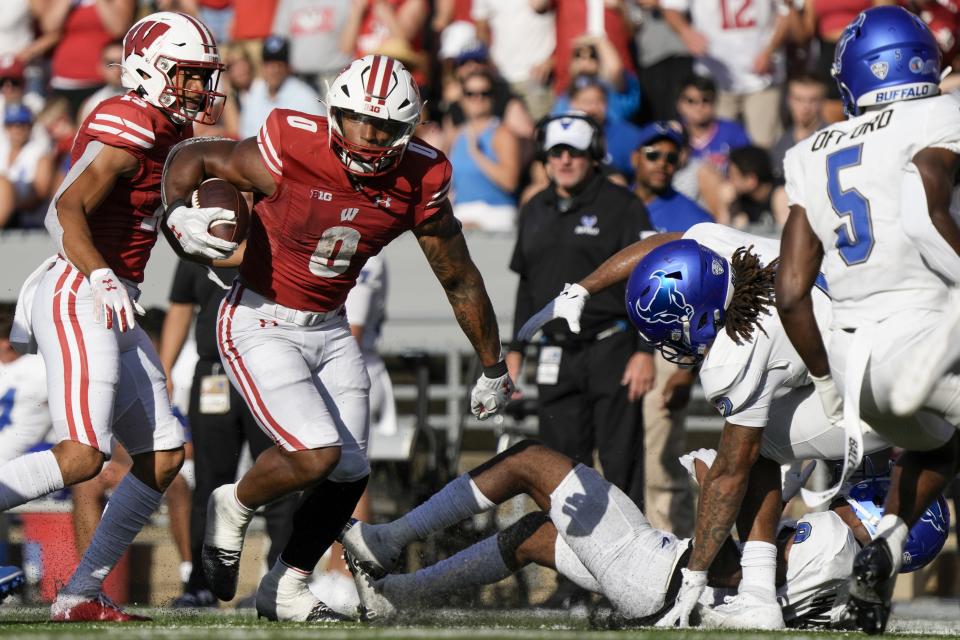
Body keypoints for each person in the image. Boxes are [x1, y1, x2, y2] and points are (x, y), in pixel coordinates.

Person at [160, 54, 515, 623]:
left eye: (384, 126)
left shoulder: (420, 176)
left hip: (329, 325)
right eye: (357, 119)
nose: (370, 137)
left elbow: (458, 275)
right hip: (259, 318)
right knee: (317, 454)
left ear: (409, 128)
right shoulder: (293, 144)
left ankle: (288, 586)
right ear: (334, 112)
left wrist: (493, 365)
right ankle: (235, 501)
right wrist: (177, 212)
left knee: (350, 471)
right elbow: (194, 154)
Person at [518, 224, 901, 629]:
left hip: (882, 392)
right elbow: (667, 245)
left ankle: (757, 596)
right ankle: (760, 590)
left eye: (669, 334)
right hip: (886, 341)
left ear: (700, 316)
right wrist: (583, 288)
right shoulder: (723, 250)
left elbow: (730, 476)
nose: (669, 347)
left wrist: (694, 576)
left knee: (756, 445)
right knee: (760, 438)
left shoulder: (735, 352)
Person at [1, 12, 232, 622]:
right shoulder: (126, 119)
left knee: (162, 457)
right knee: (82, 457)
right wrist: (101, 274)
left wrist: (189, 232)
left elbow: (146, 219)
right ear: (151, 71)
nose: (197, 89)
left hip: (113, 293)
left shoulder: (166, 134)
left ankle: (80, 592)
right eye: (187, 75)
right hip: (81, 287)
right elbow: (64, 207)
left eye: (202, 76)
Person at [775, 7, 960, 634]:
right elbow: (923, 210)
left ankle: (884, 540)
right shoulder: (937, 115)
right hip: (923, 338)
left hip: (856, 370)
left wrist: (828, 383)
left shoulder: (807, 152)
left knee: (940, 446)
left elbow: (793, 290)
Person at [343, 438, 944, 630]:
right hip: (665, 586)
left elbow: (739, 566)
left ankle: (389, 540)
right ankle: (402, 596)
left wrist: (719, 481)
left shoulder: (835, 543)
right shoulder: (847, 576)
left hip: (660, 575)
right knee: (534, 533)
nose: (881, 478)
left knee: (528, 460)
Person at [508, 112, 654, 517]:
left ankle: (631, 567)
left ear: (593, 157)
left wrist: (645, 351)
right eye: (557, 153)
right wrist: (517, 347)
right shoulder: (534, 208)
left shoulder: (623, 206)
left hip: (613, 347)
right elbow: (526, 285)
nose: (565, 161)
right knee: (559, 466)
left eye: (574, 153)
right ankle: (570, 573)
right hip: (556, 352)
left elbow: (647, 279)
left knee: (620, 462)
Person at [161, 260, 296, 609]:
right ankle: (199, 583)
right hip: (214, 372)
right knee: (209, 484)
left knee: (280, 480)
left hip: (267, 367)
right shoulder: (196, 241)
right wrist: (165, 368)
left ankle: (279, 582)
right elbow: (181, 306)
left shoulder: (277, 233)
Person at [630, 120, 711, 535]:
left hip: (668, 349)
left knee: (660, 464)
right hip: (613, 347)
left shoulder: (695, 218)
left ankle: (672, 561)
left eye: (671, 156)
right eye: (653, 154)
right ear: (634, 158)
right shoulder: (614, 205)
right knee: (604, 462)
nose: (662, 163)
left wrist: (686, 368)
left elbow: (709, 299)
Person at [662, 0, 788, 148]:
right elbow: (670, 8)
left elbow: (786, 11)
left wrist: (770, 49)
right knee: (715, 147)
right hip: (714, 80)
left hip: (762, 78)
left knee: (763, 146)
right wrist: (685, 32)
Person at [449, 69, 521, 232]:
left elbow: (510, 182)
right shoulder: (456, 136)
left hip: (495, 213)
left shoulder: (503, 133)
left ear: (493, 97)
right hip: (460, 214)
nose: (478, 99)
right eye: (470, 93)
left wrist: (478, 155)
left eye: (484, 93)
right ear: (462, 99)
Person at [237, 36, 322, 139]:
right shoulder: (255, 92)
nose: (274, 70)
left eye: (279, 64)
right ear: (262, 66)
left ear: (288, 67)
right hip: (256, 152)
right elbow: (244, 136)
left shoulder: (305, 96)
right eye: (269, 64)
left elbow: (319, 138)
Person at [676, 74, 751, 175]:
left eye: (706, 100)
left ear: (715, 102)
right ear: (679, 104)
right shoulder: (673, 134)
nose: (699, 107)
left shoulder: (734, 132)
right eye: (691, 101)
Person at [769, 74, 826, 183]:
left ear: (822, 102)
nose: (805, 107)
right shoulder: (780, 143)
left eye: (813, 100)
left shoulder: (835, 138)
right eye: (798, 99)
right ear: (789, 100)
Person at [720, 145, 788, 230]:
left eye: (733, 175)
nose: (728, 180)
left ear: (751, 180)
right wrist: (725, 206)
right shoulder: (740, 197)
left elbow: (787, 238)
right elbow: (724, 234)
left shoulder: (781, 195)